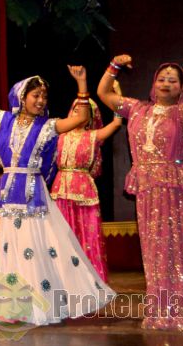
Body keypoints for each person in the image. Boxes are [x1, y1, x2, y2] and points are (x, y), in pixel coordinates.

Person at [0, 61, 115, 326]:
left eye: (44, 96)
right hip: (10, 191)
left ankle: (42, 304)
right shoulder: (4, 119)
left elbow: (80, 118)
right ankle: (14, 307)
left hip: (34, 191)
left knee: (38, 244)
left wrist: (81, 84)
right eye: (36, 95)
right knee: (13, 246)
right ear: (22, 97)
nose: (41, 100)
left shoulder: (47, 126)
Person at [96, 51, 183, 329]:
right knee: (156, 248)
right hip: (149, 189)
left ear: (182, 88)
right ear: (153, 83)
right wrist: (114, 66)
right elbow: (103, 91)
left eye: (173, 80)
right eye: (162, 79)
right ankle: (164, 308)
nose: (166, 83)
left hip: (178, 186)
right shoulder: (136, 109)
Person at [50, 66, 123, 282]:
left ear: (90, 115)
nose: (76, 112)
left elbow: (118, 122)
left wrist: (117, 93)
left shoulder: (94, 136)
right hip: (60, 190)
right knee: (63, 234)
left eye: (81, 109)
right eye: (74, 108)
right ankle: (63, 278)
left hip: (84, 191)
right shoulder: (59, 135)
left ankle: (90, 280)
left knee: (87, 234)